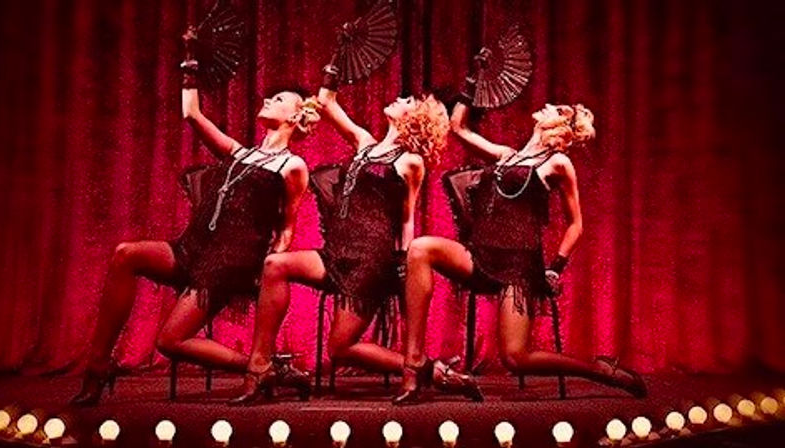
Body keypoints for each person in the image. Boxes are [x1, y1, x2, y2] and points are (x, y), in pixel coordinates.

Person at [70, 29, 316, 406]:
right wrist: (190, 60)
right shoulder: (239, 152)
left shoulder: (292, 166)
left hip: (228, 262)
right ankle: (98, 366)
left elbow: (287, 226)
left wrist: (269, 269)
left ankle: (263, 366)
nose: (267, 99)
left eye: (278, 99)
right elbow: (191, 114)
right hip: (192, 248)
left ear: (295, 116)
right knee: (125, 254)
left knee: (169, 341)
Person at [231, 61, 481, 404]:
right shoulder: (364, 141)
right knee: (275, 265)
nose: (399, 98)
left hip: (369, 261)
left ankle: (429, 370)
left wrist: (403, 263)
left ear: (415, 118)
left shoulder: (410, 162)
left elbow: (406, 218)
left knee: (340, 347)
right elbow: (327, 103)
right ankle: (259, 368)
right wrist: (332, 69)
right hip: (335, 252)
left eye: (408, 101)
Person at [397, 80, 647, 401]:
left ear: (561, 126)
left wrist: (555, 267)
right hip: (479, 256)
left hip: (517, 266)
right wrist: (472, 85)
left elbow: (576, 225)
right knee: (420, 248)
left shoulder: (557, 163)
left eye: (555, 109)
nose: (546, 106)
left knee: (515, 358)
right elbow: (458, 128)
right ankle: (414, 362)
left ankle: (598, 369)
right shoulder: (506, 155)